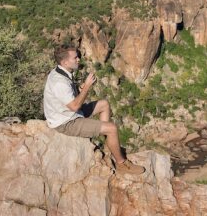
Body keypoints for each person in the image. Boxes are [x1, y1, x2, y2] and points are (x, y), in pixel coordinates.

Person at [43, 45, 145, 175]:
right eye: (75, 57)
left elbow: (66, 98)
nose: (79, 59)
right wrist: (86, 87)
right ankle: (121, 164)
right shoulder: (59, 82)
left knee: (104, 104)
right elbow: (74, 106)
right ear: (65, 62)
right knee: (112, 128)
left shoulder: (61, 71)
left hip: (68, 112)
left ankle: (109, 145)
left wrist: (79, 89)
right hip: (66, 122)